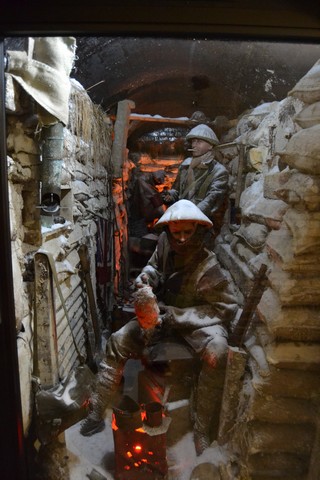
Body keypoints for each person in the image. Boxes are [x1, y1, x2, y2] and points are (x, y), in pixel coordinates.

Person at [80, 200, 238, 455]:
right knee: (118, 340)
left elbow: (225, 308)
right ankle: (97, 411)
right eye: (177, 233)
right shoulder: (165, 244)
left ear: (198, 231)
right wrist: (146, 277)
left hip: (194, 322)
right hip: (163, 315)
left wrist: (179, 316)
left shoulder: (209, 268)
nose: (183, 239)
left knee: (218, 352)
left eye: (188, 233)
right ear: (169, 232)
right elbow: (154, 266)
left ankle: (201, 430)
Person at [163, 123, 229, 242]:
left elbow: (212, 200)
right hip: (182, 219)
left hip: (203, 223)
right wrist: (170, 195)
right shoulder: (185, 166)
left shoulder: (219, 171)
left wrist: (191, 216)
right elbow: (177, 189)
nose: (194, 144)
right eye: (193, 141)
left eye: (199, 141)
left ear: (210, 146)